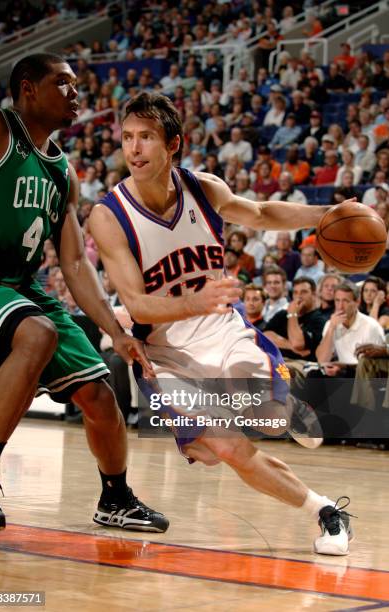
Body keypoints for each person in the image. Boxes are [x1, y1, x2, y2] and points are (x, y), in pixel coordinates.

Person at [90, 92, 357, 555]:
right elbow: (136, 302)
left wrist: (325, 215)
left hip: (221, 330)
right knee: (228, 449)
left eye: (147, 138)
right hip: (163, 353)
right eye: (128, 137)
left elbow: (260, 213)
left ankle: (286, 404)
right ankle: (326, 512)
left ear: (173, 143)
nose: (133, 149)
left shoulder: (203, 187)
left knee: (263, 414)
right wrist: (194, 299)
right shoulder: (108, 216)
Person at [0, 54, 168, 533]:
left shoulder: (63, 172)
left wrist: (117, 331)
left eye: (76, 84)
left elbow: (75, 264)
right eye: (62, 83)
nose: (76, 93)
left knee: (100, 395)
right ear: (27, 88)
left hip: (22, 288)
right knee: (37, 333)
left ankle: (116, 498)